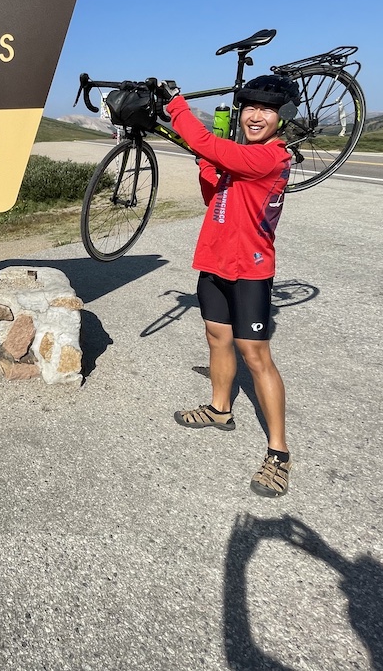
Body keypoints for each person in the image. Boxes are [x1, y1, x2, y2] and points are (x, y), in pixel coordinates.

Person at [157, 74, 301, 497]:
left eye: (267, 109)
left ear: (282, 117)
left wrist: (177, 107)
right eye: (250, 108)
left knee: (255, 356)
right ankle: (220, 409)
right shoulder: (241, 157)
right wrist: (207, 167)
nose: (256, 116)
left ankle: (279, 452)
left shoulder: (271, 158)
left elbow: (211, 146)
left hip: (250, 271)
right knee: (216, 337)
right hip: (215, 262)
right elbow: (216, 196)